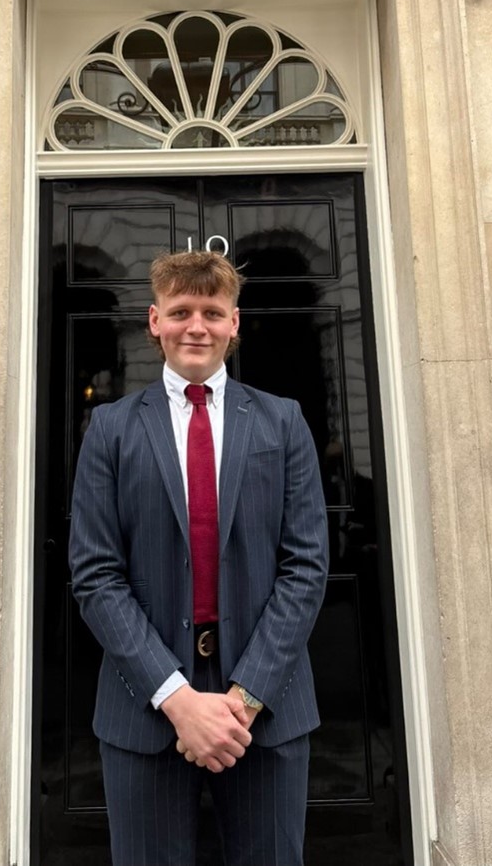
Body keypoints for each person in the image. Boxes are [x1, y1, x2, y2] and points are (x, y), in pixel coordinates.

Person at [68, 250, 329, 866]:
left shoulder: (283, 421)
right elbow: (96, 575)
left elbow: (306, 565)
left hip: (266, 708)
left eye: (212, 313)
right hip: (145, 708)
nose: (196, 326)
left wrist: (245, 698)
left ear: (234, 324)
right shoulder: (110, 429)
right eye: (181, 311)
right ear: (154, 320)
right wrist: (176, 699)